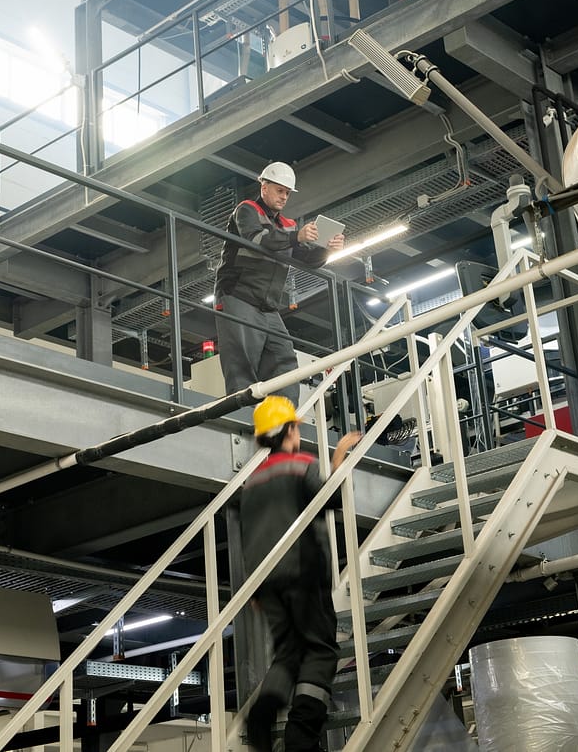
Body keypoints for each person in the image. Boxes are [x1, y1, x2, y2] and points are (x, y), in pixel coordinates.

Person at [239, 395, 361, 752]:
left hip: (266, 584)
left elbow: (248, 536)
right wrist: (339, 457)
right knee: (321, 650)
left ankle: (262, 714)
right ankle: (301, 734)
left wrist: (258, 591)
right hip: (303, 574)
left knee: (289, 651)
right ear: (289, 430)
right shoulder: (300, 465)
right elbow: (330, 500)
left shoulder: (251, 483)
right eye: (297, 427)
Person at [214, 162, 344, 405]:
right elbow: (258, 238)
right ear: (264, 187)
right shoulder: (247, 210)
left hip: (268, 306)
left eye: (287, 192)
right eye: (279, 190)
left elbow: (305, 259)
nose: (284, 196)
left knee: (284, 360)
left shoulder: (288, 225)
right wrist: (297, 236)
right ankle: (240, 415)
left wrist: (326, 249)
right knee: (242, 361)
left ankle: (281, 420)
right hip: (237, 296)